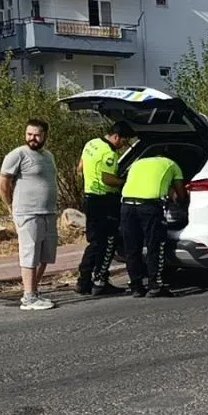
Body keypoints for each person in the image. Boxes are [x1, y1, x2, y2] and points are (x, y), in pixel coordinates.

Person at [0, 119, 59, 311]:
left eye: (37, 135)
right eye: (29, 134)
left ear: (45, 135)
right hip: (28, 212)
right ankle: (28, 297)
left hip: (48, 212)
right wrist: (10, 205)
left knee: (46, 255)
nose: (32, 138)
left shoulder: (48, 156)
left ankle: (33, 291)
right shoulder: (18, 154)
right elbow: (3, 183)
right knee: (30, 253)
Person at [75, 121, 134, 296]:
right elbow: (108, 180)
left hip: (90, 198)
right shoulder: (109, 153)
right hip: (104, 201)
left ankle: (84, 281)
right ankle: (100, 281)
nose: (124, 146)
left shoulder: (91, 144)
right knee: (108, 241)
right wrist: (127, 181)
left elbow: (80, 168)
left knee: (94, 242)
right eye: (124, 141)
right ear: (116, 137)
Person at [119, 153, 185, 298]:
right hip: (149, 207)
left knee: (132, 248)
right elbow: (181, 194)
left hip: (127, 206)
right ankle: (155, 286)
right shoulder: (172, 164)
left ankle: (136, 287)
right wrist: (178, 200)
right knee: (154, 245)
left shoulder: (138, 163)